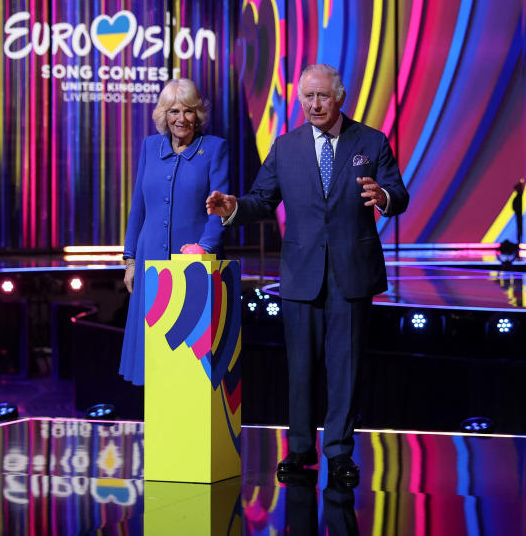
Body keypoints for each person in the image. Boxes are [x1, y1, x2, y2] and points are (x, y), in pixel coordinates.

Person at [206, 63, 408, 486]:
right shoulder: (285, 147)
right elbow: (262, 200)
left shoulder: (371, 141)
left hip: (351, 273)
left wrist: (383, 195)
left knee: (345, 367)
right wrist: (234, 208)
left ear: (340, 97)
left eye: (322, 97)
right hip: (301, 275)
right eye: (308, 98)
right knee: (300, 368)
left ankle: (338, 454)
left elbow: (398, 194)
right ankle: (300, 450)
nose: (315, 105)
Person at [120, 79, 228, 386]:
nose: (181, 118)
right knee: (154, 356)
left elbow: (218, 209)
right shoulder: (149, 147)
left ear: (198, 115)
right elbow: (138, 206)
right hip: (149, 258)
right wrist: (130, 260)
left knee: (188, 359)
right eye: (174, 111)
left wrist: (205, 249)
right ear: (164, 115)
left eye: (189, 111)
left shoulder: (215, 149)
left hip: (192, 264)